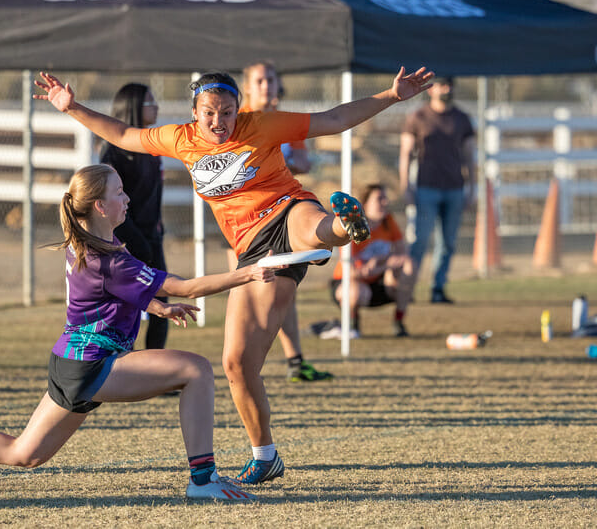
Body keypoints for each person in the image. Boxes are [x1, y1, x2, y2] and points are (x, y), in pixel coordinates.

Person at [33, 65, 433, 484]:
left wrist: (391, 96)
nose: (219, 121)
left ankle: (343, 225)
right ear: (194, 111)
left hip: (288, 209)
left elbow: (333, 120)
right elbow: (123, 135)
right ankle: (266, 456)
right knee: (236, 364)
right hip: (251, 250)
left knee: (309, 226)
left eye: (226, 112)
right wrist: (72, 106)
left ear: (238, 109)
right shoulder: (180, 138)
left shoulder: (260, 125)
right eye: (209, 112)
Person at [0, 164, 276, 500]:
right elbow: (184, 285)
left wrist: (156, 305)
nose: (127, 198)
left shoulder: (86, 244)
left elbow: (110, 294)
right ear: (100, 206)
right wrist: (248, 272)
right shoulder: (109, 258)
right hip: (93, 366)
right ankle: (203, 479)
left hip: (71, 363)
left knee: (24, 453)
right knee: (196, 370)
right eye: (119, 192)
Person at [237, 60, 331, 383]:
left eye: (271, 80)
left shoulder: (287, 121)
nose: (266, 86)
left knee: (284, 291)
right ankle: (244, 367)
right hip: (246, 222)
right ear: (247, 87)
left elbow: (304, 161)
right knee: (250, 295)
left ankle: (294, 361)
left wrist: (285, 158)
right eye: (259, 80)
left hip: (282, 216)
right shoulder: (236, 120)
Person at [99, 83, 168, 350]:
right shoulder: (113, 154)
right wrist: (136, 242)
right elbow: (108, 204)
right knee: (127, 309)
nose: (156, 107)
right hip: (127, 242)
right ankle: (120, 370)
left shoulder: (151, 146)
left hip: (153, 238)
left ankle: (156, 370)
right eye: (150, 103)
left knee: (162, 306)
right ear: (133, 108)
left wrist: (156, 231)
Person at [399, 76, 475, 304]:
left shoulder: (462, 119)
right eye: (442, 85)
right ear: (431, 90)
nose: (447, 89)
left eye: (450, 85)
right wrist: (406, 186)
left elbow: (470, 156)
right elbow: (405, 154)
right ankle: (408, 288)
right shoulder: (418, 116)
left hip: (454, 189)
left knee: (448, 242)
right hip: (426, 189)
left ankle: (438, 288)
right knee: (420, 240)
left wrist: (472, 187)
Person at [326, 183, 413, 339]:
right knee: (357, 292)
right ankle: (352, 324)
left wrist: (383, 264)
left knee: (409, 265)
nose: (385, 203)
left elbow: (402, 253)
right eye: (379, 199)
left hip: (377, 282)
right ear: (365, 204)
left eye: (385, 198)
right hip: (349, 284)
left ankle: (399, 321)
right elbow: (352, 273)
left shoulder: (388, 221)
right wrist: (382, 265)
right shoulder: (352, 225)